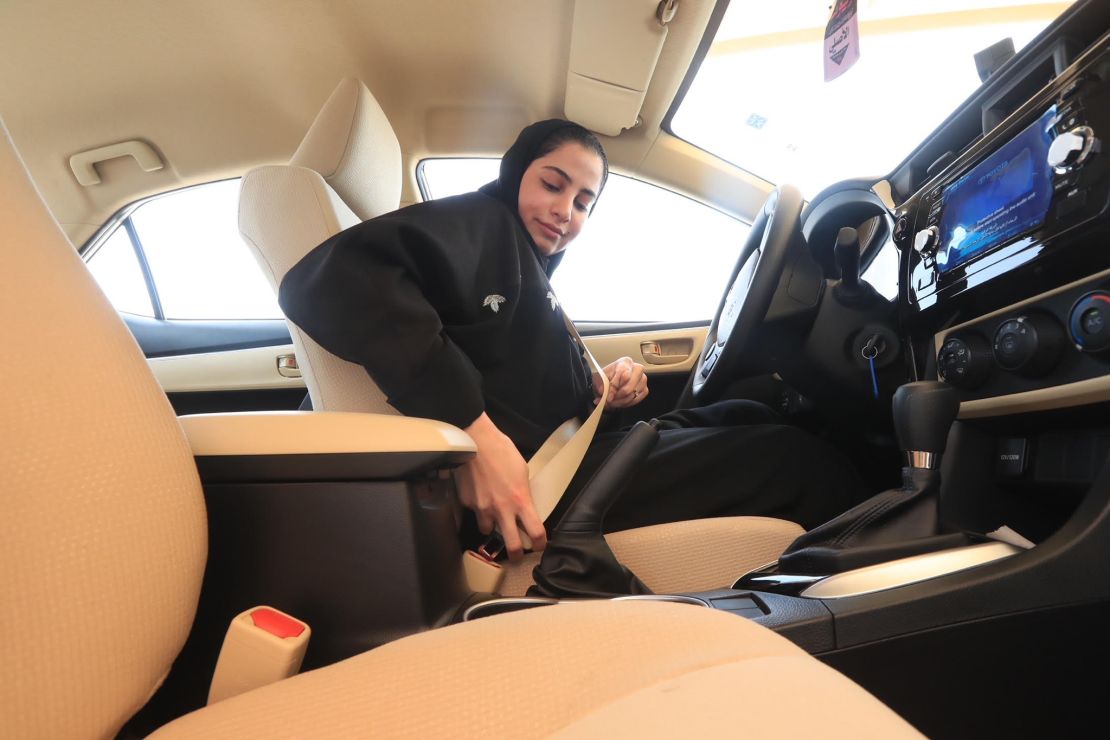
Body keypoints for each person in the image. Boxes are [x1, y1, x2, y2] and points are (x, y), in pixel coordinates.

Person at [279, 119, 866, 563]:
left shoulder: (519, 260)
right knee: (795, 460)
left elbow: (508, 360)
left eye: (584, 202)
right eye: (552, 185)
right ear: (515, 173)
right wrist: (475, 434)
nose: (565, 212)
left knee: (748, 408)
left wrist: (599, 385)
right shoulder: (480, 225)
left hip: (576, 449)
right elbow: (330, 279)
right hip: (545, 488)